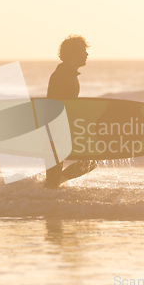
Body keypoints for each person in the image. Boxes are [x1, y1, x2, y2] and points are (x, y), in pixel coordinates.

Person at [44, 35, 96, 188]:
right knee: (51, 183)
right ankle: (45, 199)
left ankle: (57, 182)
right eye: (83, 51)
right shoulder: (62, 75)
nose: (87, 54)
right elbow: (54, 105)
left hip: (66, 130)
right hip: (56, 132)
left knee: (90, 161)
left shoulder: (69, 74)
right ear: (75, 52)